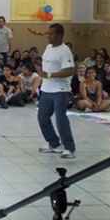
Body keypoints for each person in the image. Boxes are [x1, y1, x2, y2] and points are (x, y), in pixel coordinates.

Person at [37, 23, 76, 159]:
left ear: (60, 35)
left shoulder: (65, 51)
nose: (48, 36)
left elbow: (70, 70)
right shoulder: (48, 47)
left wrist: (49, 75)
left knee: (60, 119)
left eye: (51, 34)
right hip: (46, 89)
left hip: (60, 90)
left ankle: (69, 148)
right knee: (42, 117)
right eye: (47, 33)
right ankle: (54, 144)